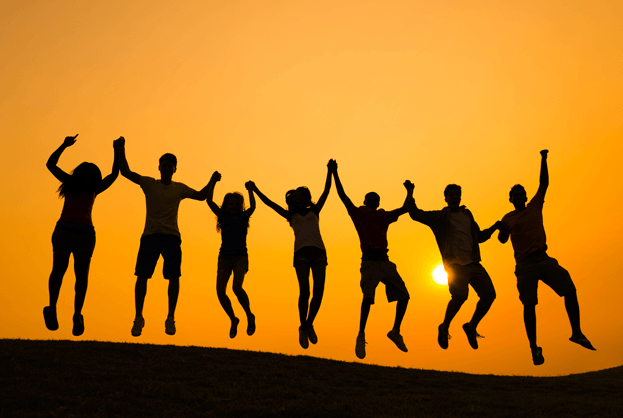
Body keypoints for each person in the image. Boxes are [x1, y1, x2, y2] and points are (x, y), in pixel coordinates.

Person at [498, 150, 595, 365]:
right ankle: (534, 348)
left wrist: (543, 159)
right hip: (524, 266)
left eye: (521, 192)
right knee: (529, 305)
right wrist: (500, 228)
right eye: (515, 194)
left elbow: (544, 183)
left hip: (544, 259)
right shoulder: (508, 218)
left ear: (525, 196)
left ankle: (576, 332)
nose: (519, 196)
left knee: (569, 288)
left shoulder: (534, 206)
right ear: (510, 199)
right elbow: (502, 240)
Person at [118, 138, 212, 337]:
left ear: (175, 169)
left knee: (174, 277)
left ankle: (170, 318)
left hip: (171, 238)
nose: (167, 168)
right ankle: (138, 317)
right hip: (150, 237)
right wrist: (120, 149)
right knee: (142, 276)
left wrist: (213, 181)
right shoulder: (150, 183)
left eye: (171, 166)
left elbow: (202, 196)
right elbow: (125, 172)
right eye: (164, 165)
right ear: (159, 167)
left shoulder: (179, 188)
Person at [246, 161, 333, 349]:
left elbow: (326, 192)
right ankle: (303, 326)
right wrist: (254, 190)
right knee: (305, 291)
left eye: (301, 196)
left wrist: (330, 172)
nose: (298, 199)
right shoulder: (290, 216)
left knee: (319, 290)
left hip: (319, 252)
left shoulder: (314, 210)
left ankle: (309, 324)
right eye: (295, 198)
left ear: (306, 198)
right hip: (301, 253)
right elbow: (269, 203)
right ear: (291, 202)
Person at [331, 161, 413, 359]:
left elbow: (405, 208)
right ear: (365, 200)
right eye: (370, 198)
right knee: (368, 298)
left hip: (385, 261)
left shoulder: (383, 215)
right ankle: (361, 335)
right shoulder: (359, 213)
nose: (373, 200)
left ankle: (395, 331)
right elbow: (343, 196)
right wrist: (335, 173)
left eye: (376, 198)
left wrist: (410, 191)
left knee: (404, 296)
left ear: (378, 202)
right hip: (369, 261)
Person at [44, 134, 121, 336]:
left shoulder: (96, 189)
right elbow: (50, 164)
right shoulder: (69, 182)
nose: (88, 179)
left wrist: (118, 150)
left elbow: (114, 174)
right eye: (86, 175)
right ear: (79, 175)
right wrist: (64, 145)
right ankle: (52, 308)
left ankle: (77, 315)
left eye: (92, 176)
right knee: (59, 269)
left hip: (86, 234)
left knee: (81, 276)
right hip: (64, 230)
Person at [409, 184, 500, 350]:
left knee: (489, 295)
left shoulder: (467, 215)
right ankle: (444, 328)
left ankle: (471, 327)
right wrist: (410, 192)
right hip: (454, 264)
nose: (455, 197)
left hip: (473, 262)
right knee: (460, 296)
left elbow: (479, 237)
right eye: (451, 195)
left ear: (460, 197)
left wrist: (494, 227)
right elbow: (415, 214)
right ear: (446, 198)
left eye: (457, 195)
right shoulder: (441, 217)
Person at [206, 171, 256, 338]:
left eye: (236, 204)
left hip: (240, 257)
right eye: (231, 204)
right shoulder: (223, 216)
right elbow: (209, 201)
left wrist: (250, 190)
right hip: (225, 258)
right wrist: (213, 181)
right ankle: (233, 319)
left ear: (241, 206)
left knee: (236, 287)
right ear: (226, 206)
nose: (234, 207)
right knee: (220, 291)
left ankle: (249, 315)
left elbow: (254, 206)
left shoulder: (243, 217)